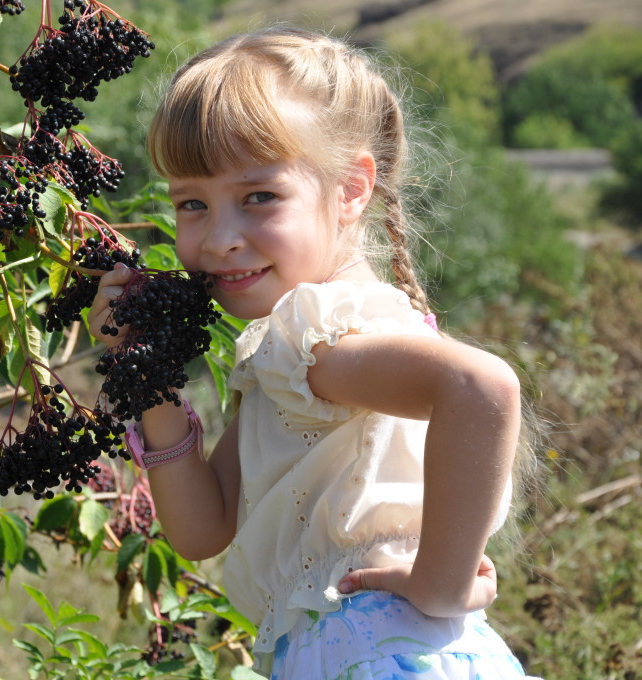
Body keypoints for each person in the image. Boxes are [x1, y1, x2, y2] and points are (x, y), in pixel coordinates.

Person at [87, 27, 541, 679]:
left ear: (352, 189)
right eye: (192, 202)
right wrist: (147, 371)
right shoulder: (296, 357)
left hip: (373, 652)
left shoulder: (313, 334)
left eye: (259, 197)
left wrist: (440, 585)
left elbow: (483, 388)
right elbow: (202, 530)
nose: (218, 239)